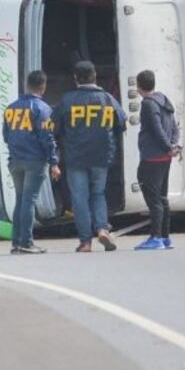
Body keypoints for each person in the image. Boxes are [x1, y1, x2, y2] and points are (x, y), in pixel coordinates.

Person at [54, 61, 127, 252]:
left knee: (79, 198)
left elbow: (54, 127)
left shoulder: (67, 100)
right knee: (98, 193)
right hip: (101, 156)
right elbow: (122, 123)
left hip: (75, 157)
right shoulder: (108, 99)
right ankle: (102, 228)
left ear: (76, 78)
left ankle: (85, 242)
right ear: (95, 76)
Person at [3, 70, 61, 254]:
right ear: (43, 87)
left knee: (20, 200)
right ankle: (26, 242)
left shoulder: (11, 108)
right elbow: (47, 137)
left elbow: (6, 135)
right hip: (34, 160)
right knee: (29, 201)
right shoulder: (44, 109)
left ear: (27, 85)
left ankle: (16, 242)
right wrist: (54, 161)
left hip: (15, 160)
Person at [133, 70, 181, 250]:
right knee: (162, 197)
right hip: (165, 158)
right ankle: (166, 237)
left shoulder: (148, 104)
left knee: (153, 198)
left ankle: (155, 237)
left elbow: (156, 129)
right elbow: (174, 128)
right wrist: (173, 145)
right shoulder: (164, 100)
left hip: (152, 156)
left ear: (139, 86)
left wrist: (168, 146)